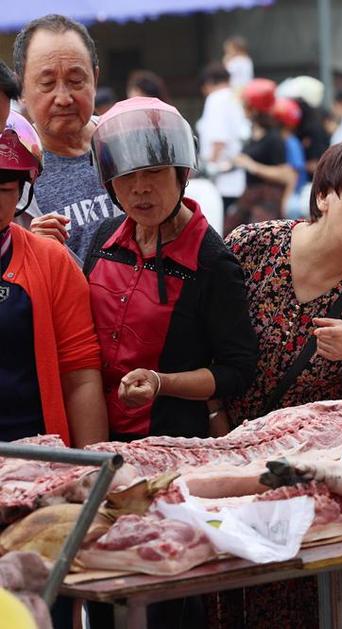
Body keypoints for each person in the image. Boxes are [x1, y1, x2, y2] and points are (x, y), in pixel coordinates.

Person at [210, 139, 342, 629]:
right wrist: (218, 424)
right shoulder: (250, 246)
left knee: (318, 604)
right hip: (226, 466)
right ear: (324, 195)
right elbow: (201, 341)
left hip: (307, 482)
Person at [79, 97, 257, 443]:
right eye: (127, 174)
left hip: (169, 443)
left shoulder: (212, 262)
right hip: (92, 432)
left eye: (155, 171)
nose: (140, 187)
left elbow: (237, 370)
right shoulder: (104, 238)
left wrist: (162, 382)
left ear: (182, 172)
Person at [0, 106, 107, 449]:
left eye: (3, 189)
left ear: (22, 193)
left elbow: (80, 372)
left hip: (36, 458)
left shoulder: (51, 260)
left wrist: (94, 468)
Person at [13, 14, 121, 251]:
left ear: (95, 78)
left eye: (75, 80)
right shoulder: (11, 170)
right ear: (20, 88)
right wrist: (29, 249)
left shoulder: (124, 143)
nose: (63, 98)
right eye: (47, 83)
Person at [226, 78, 289, 232]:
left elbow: (285, 174)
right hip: (250, 195)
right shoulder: (253, 135)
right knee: (229, 234)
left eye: (244, 104)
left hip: (266, 200)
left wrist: (252, 166)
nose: (241, 108)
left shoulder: (274, 138)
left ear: (253, 108)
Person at [197, 62, 248, 213]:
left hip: (221, 177)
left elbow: (218, 139)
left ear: (208, 83)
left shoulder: (216, 98)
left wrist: (208, 167)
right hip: (237, 175)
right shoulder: (236, 98)